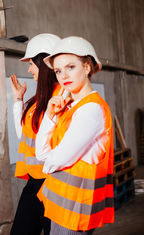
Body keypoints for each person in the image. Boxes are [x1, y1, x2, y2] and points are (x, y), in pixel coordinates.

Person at [35, 36, 114, 234]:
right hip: (62, 205)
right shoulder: (69, 108)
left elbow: (54, 160)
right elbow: (42, 154)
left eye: (71, 67)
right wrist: (50, 115)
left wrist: (50, 162)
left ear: (87, 67)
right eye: (58, 71)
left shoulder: (91, 110)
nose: (63, 76)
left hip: (76, 208)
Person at [9, 33, 61, 235]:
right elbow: (24, 135)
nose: (29, 69)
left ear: (44, 63)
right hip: (34, 183)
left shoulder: (61, 98)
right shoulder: (37, 101)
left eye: (31, 63)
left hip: (54, 184)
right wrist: (17, 101)